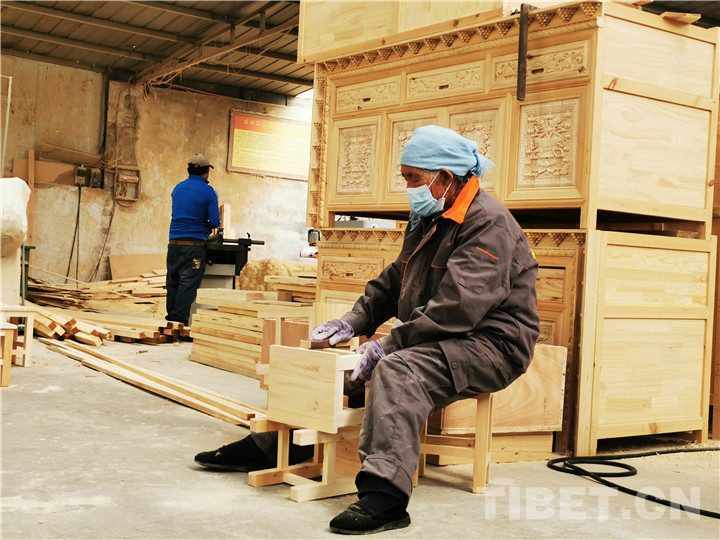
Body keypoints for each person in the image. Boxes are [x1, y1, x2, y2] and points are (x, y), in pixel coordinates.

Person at [194, 126, 539, 535]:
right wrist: (352, 322)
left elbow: (459, 307)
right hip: (449, 335)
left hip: (492, 345)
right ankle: (276, 447)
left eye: (413, 178)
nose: (408, 188)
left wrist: (388, 345)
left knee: (399, 370)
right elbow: (395, 282)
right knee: (337, 368)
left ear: (445, 178)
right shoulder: (431, 217)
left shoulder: (489, 224)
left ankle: (385, 496)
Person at [165, 153, 220, 326]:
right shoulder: (209, 192)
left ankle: (170, 322)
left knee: (173, 282)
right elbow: (215, 222)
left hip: (174, 244)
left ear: (188, 170)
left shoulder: (178, 188)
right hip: (194, 247)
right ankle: (179, 325)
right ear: (207, 171)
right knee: (187, 285)